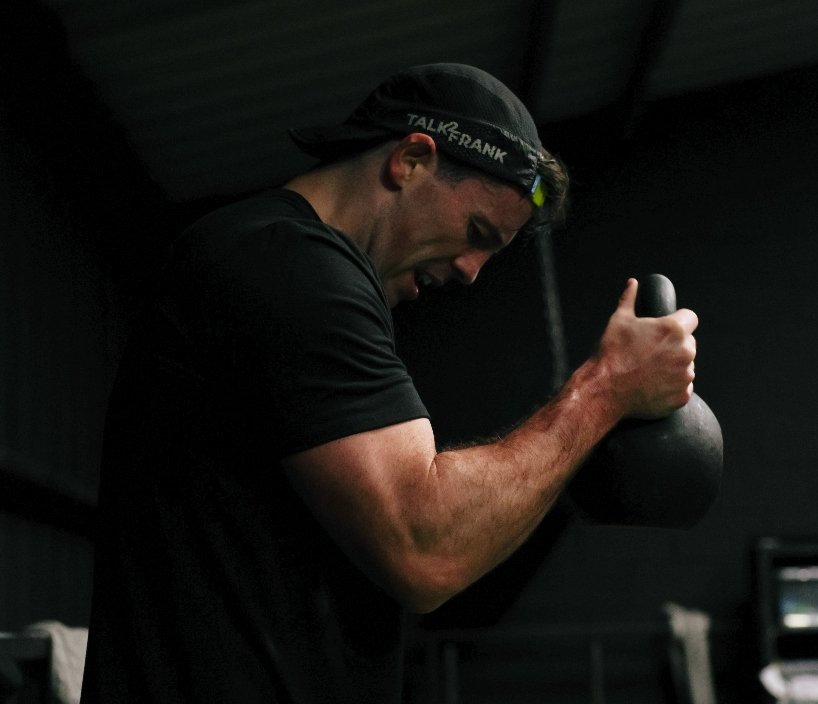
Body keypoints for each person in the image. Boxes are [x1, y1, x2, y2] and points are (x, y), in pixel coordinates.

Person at [80, 63, 697, 703]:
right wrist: (604, 388)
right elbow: (425, 546)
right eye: (476, 234)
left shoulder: (273, 262)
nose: (471, 272)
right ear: (411, 159)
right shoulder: (289, 267)